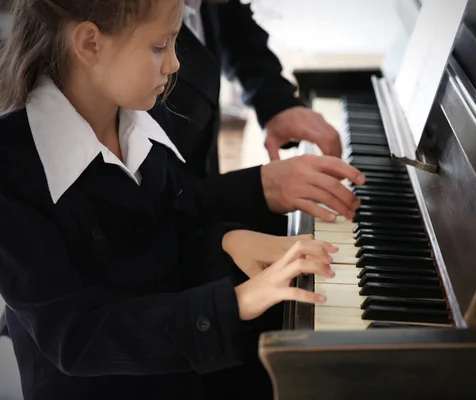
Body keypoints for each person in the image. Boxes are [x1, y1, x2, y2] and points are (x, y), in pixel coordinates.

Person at [0, 1, 337, 399]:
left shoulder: (149, 115)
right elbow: (76, 338)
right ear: (90, 43)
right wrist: (235, 302)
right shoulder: (13, 168)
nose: (176, 64)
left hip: (182, 370)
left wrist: (228, 241)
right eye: (161, 46)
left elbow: (170, 235)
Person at [163, 0, 365, 235]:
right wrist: (257, 188)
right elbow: (146, 212)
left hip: (202, 213)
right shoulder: (131, 27)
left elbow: (236, 32)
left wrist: (276, 103)